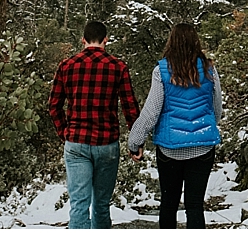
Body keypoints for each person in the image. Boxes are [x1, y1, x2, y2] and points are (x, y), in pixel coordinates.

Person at [127, 23, 222, 229]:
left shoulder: (161, 71)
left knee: (169, 204)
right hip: (203, 147)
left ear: (171, 42)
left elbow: (151, 113)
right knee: (195, 206)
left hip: (170, 150)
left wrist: (135, 142)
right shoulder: (209, 69)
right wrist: (204, 126)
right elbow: (217, 109)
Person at [49, 20, 140, 229]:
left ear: (83, 40)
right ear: (105, 40)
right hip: (107, 143)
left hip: (76, 142)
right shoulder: (118, 67)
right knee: (101, 204)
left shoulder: (67, 66)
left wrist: (65, 132)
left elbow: (54, 105)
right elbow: (130, 107)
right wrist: (136, 142)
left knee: (79, 205)